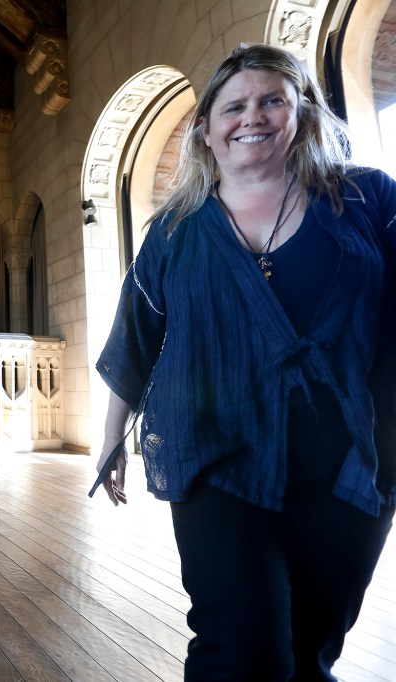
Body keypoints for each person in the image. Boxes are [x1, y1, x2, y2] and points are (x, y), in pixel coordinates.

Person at [94, 44, 396, 680]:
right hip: (216, 454)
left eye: (271, 101)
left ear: (301, 115)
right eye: (234, 106)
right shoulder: (173, 229)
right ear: (206, 131)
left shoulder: (369, 200)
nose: (251, 116)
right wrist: (109, 440)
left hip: (350, 463)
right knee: (239, 648)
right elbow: (137, 332)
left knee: (312, 646)